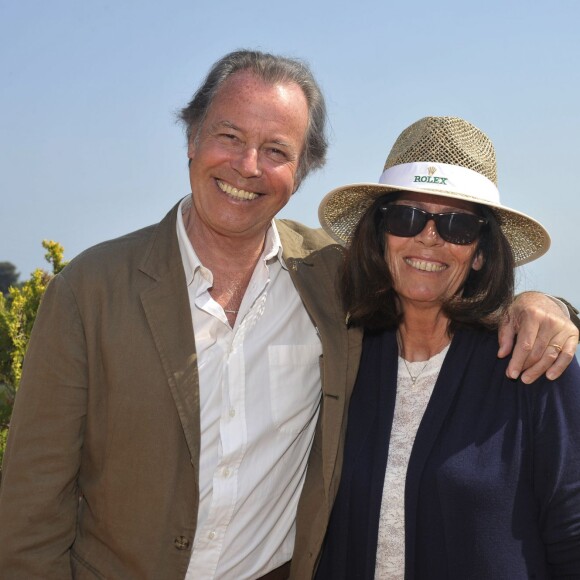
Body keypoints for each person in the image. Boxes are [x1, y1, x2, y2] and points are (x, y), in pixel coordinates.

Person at [0, 53, 576, 580]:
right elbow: (32, 505)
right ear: (192, 140)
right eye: (229, 136)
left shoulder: (327, 281)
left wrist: (546, 307)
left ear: (300, 172)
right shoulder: (89, 290)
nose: (248, 166)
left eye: (276, 150)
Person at [301, 116, 580, 578]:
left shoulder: (536, 365)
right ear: (379, 234)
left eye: (457, 226)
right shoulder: (340, 358)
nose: (428, 237)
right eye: (405, 216)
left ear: (481, 253)